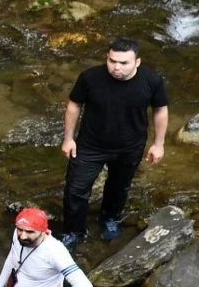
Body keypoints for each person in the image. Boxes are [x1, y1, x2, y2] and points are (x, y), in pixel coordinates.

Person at [60, 38, 169, 249]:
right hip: (91, 145)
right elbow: (74, 105)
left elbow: (160, 110)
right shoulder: (90, 78)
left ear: (137, 62)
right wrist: (68, 138)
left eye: (123, 63)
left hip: (130, 146)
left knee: (119, 187)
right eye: (112, 61)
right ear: (107, 58)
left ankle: (109, 219)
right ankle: (73, 232)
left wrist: (159, 144)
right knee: (75, 190)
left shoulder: (152, 81)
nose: (116, 67)